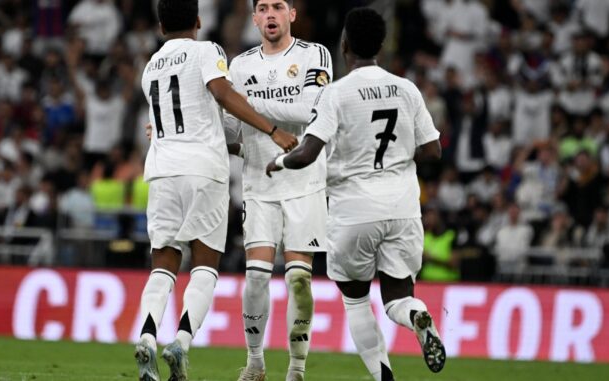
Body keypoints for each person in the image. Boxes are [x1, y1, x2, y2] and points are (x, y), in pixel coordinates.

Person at [266, 8, 446, 380]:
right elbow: (433, 152)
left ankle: (384, 376)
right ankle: (416, 315)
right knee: (398, 296)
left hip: (353, 210)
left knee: (356, 299)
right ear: (381, 45)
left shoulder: (337, 93)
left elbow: (307, 154)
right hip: (402, 208)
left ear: (344, 44)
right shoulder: (407, 89)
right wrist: (397, 158)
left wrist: (279, 162)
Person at [134, 1, 297, 381]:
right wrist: (273, 130)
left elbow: (169, 119)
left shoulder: (150, 66)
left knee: (163, 266)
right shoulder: (206, 50)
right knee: (205, 266)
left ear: (160, 26)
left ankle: (146, 335)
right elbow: (222, 94)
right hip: (203, 170)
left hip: (160, 171)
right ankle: (181, 342)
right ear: (198, 21)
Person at [224, 1, 332, 380]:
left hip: (305, 184)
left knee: (298, 279)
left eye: (278, 6)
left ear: (292, 15)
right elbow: (230, 131)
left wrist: (243, 105)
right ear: (254, 18)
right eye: (263, 7)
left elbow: (308, 109)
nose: (270, 14)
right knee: (255, 275)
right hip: (258, 184)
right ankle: (255, 362)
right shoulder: (239, 66)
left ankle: (297, 368)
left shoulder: (314, 54)